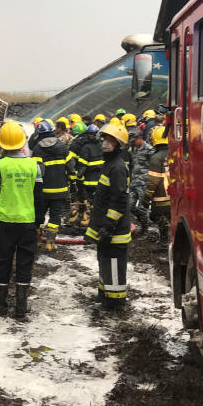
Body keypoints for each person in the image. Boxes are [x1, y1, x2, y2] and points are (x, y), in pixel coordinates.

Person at [0, 121, 43, 318]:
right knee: (25, 263)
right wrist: (38, 223)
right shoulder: (34, 166)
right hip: (27, 222)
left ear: (2, 144)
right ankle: (21, 307)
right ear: (22, 142)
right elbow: (39, 196)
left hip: (6, 221)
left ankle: (1, 307)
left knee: (3, 262)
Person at [85, 123, 131, 309]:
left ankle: (115, 302)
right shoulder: (109, 164)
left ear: (118, 144)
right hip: (106, 228)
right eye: (104, 139)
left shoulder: (118, 168)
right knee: (104, 263)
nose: (105, 143)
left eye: (110, 140)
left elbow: (119, 200)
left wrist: (109, 225)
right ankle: (105, 296)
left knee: (113, 265)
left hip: (114, 232)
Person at [31, 120, 70, 252]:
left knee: (39, 215)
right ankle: (50, 243)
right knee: (55, 216)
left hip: (43, 190)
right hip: (60, 190)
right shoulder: (62, 146)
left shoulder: (37, 149)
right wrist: (73, 184)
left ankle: (36, 241)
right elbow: (71, 167)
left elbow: (35, 172)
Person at [67, 122, 103, 228]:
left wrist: (77, 176)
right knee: (93, 198)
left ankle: (92, 220)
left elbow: (82, 164)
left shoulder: (84, 147)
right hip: (99, 177)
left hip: (88, 178)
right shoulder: (101, 145)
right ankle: (85, 215)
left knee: (88, 198)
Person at [142, 125, 171, 248]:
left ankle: (164, 243)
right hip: (174, 195)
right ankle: (171, 242)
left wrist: (146, 197)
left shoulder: (156, 158)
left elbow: (153, 181)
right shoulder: (176, 152)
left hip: (161, 196)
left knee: (160, 218)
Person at [129, 127, 153, 234]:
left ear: (139, 138)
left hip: (144, 183)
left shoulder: (149, 149)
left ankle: (145, 229)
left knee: (143, 207)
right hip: (134, 182)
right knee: (129, 205)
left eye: (134, 141)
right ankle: (144, 221)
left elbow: (155, 166)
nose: (133, 143)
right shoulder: (133, 149)